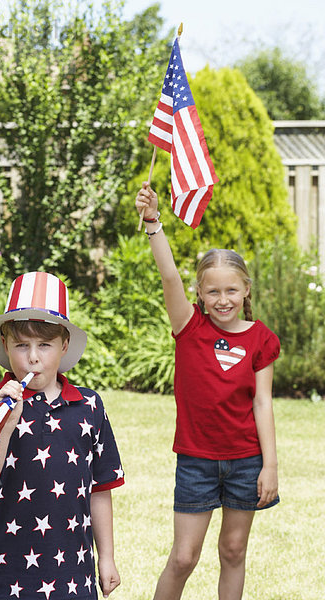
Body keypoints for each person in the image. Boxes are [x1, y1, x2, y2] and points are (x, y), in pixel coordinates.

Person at [135, 183, 280, 600]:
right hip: (196, 462)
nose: (222, 299)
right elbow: (168, 273)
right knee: (184, 557)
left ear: (246, 291)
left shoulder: (261, 339)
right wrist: (153, 223)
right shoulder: (189, 327)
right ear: (200, 293)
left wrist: (269, 466)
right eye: (212, 291)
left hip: (246, 462)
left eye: (231, 290)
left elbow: (263, 402)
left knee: (233, 550)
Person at [0, 271, 124, 600]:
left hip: (72, 574)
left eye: (44, 345)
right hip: (5, 572)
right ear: (5, 346)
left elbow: (101, 488)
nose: (33, 357)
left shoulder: (89, 406)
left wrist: (106, 557)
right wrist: (5, 422)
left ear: (64, 346)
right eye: (22, 345)